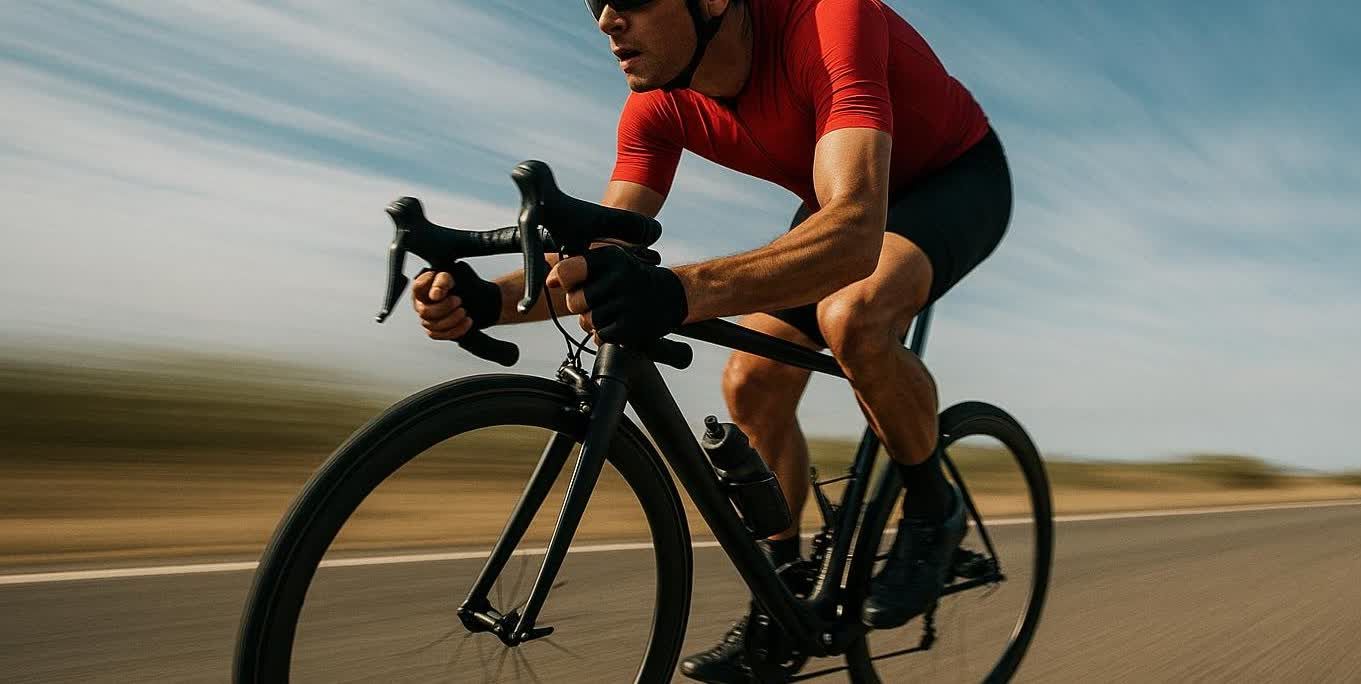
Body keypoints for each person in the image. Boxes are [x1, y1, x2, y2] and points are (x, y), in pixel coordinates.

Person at [412, 0, 1012, 680]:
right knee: (749, 383)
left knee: (856, 320)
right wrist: (489, 300)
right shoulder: (654, 108)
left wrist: (677, 291)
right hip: (841, 191)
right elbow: (603, 257)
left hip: (951, 178)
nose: (606, 19)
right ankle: (780, 604)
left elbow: (853, 232)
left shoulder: (831, 19)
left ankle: (935, 512)